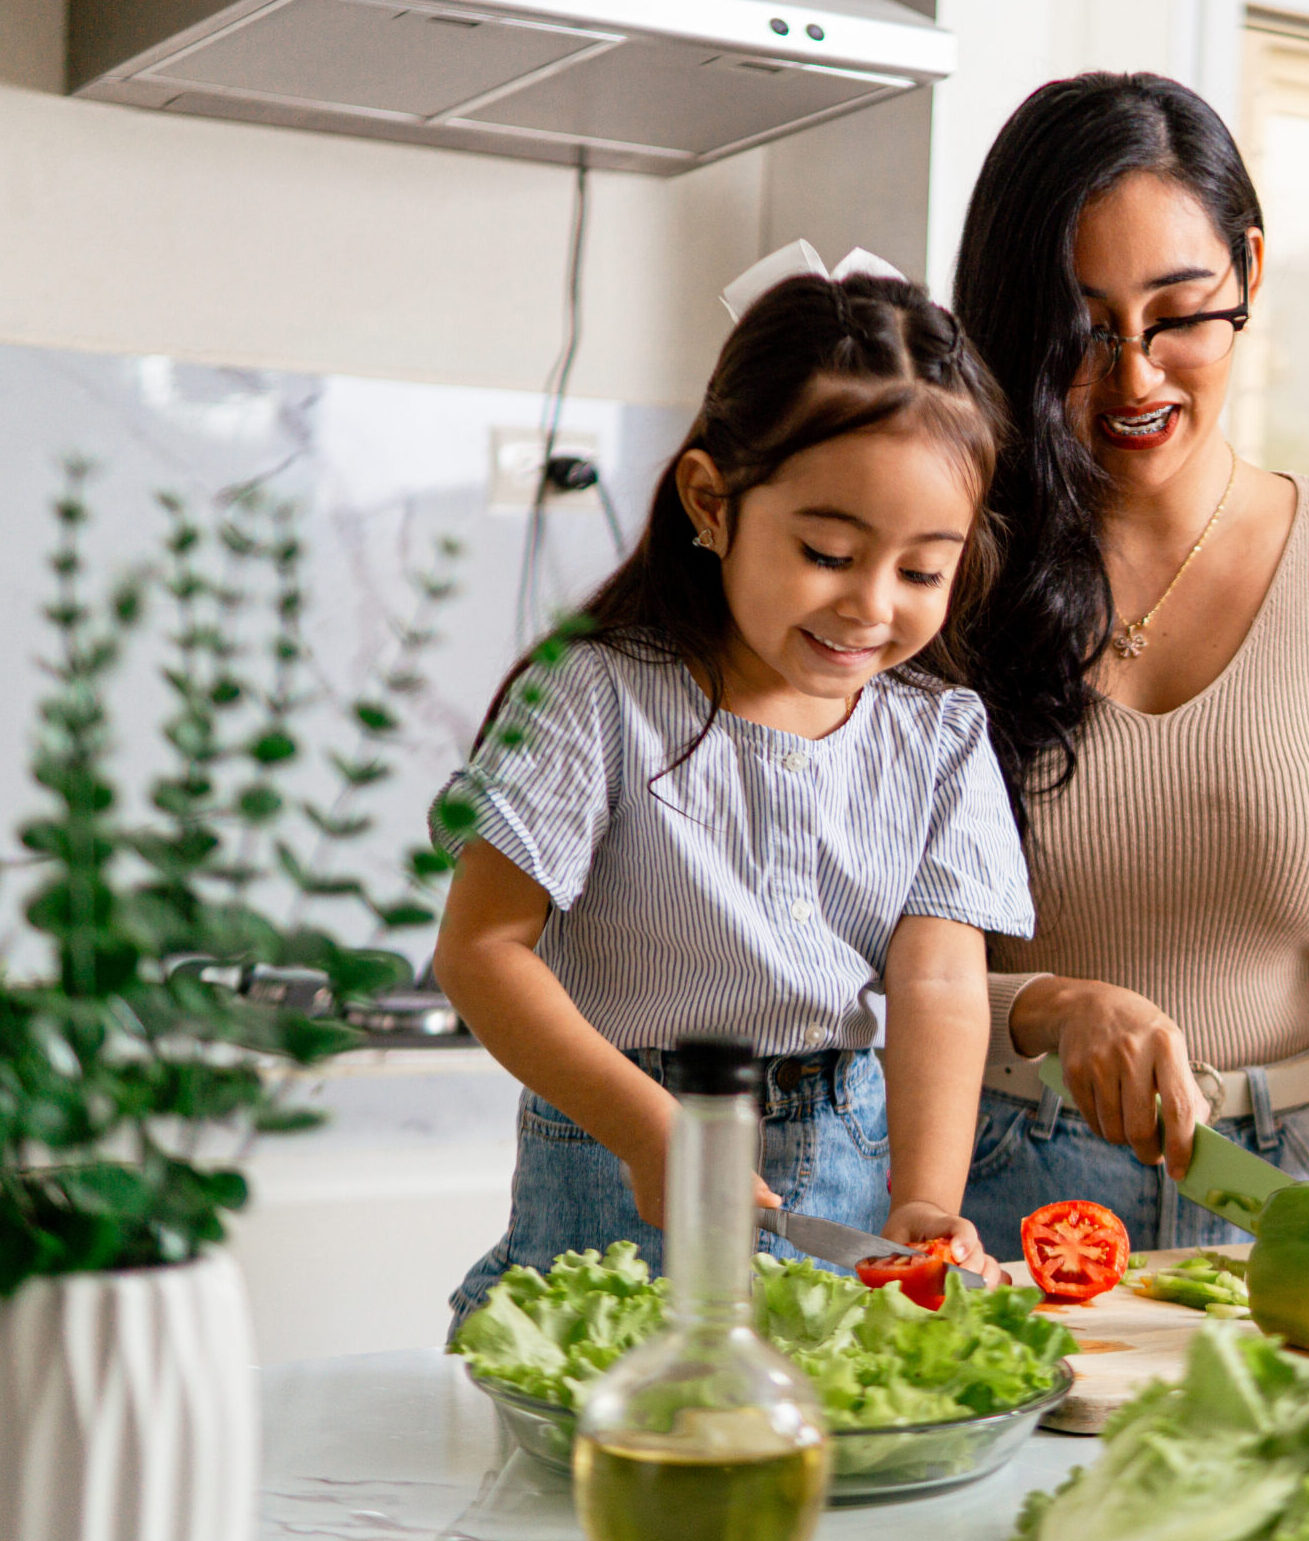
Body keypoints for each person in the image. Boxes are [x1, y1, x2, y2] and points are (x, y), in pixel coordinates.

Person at [953, 73, 1309, 1266]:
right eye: (1081, 329)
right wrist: (1045, 1010)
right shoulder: (946, 573)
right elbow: (852, 957)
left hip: (1308, 1191)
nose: (1134, 377)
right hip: (1004, 1191)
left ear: (1248, 273)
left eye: (1176, 314)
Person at [431, 262, 1032, 1327]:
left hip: (843, 1158)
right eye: (827, 552)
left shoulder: (937, 739)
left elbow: (937, 983)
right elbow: (479, 950)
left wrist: (927, 1197)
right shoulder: (600, 694)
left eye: (922, 571)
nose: (869, 605)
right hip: (619, 1153)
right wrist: (645, 1126)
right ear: (713, 501)